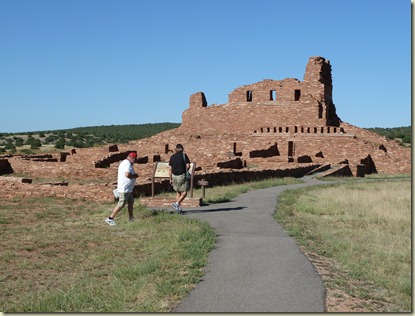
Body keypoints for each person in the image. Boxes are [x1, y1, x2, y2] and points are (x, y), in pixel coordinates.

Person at [105, 152, 139, 226]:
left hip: (128, 189)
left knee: (131, 202)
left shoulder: (125, 163)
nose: (134, 162)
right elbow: (127, 174)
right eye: (134, 160)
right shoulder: (127, 164)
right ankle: (110, 218)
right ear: (132, 158)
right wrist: (134, 176)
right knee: (121, 203)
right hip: (124, 189)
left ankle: (131, 218)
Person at [169, 144, 191, 213]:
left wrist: (170, 178)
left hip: (174, 176)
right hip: (181, 175)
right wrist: (185, 169)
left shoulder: (172, 157)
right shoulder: (184, 156)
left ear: (175, 149)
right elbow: (188, 165)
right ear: (182, 149)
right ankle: (177, 203)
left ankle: (177, 209)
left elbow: (170, 169)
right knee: (184, 192)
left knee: (178, 192)